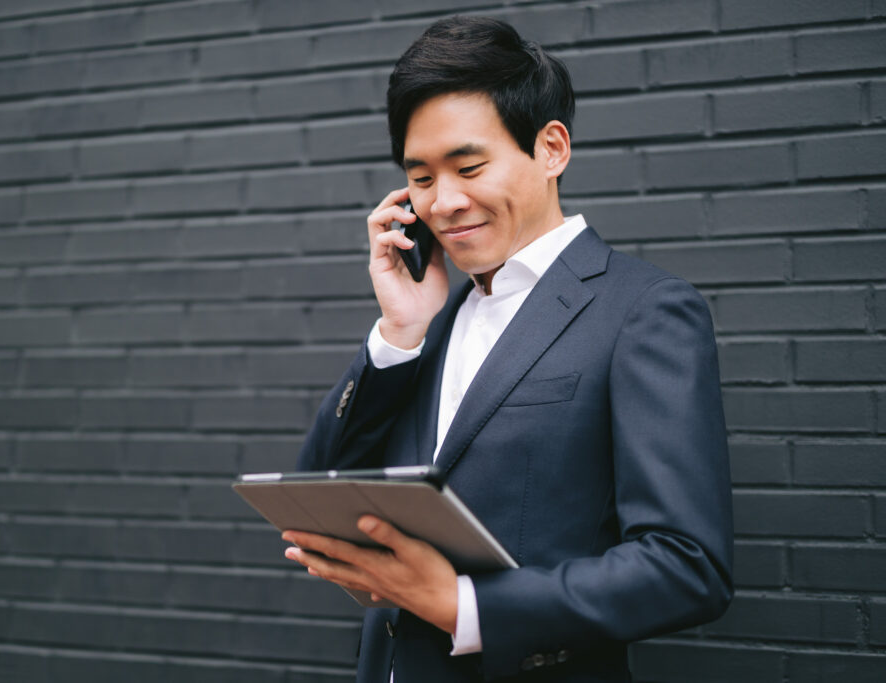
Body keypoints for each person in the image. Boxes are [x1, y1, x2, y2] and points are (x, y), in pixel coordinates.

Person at [282, 16, 733, 683]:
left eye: (469, 167)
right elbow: (315, 495)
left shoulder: (643, 312)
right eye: (421, 178)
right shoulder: (429, 322)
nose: (444, 203)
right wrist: (398, 333)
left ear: (551, 149)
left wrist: (462, 605)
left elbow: (687, 566)